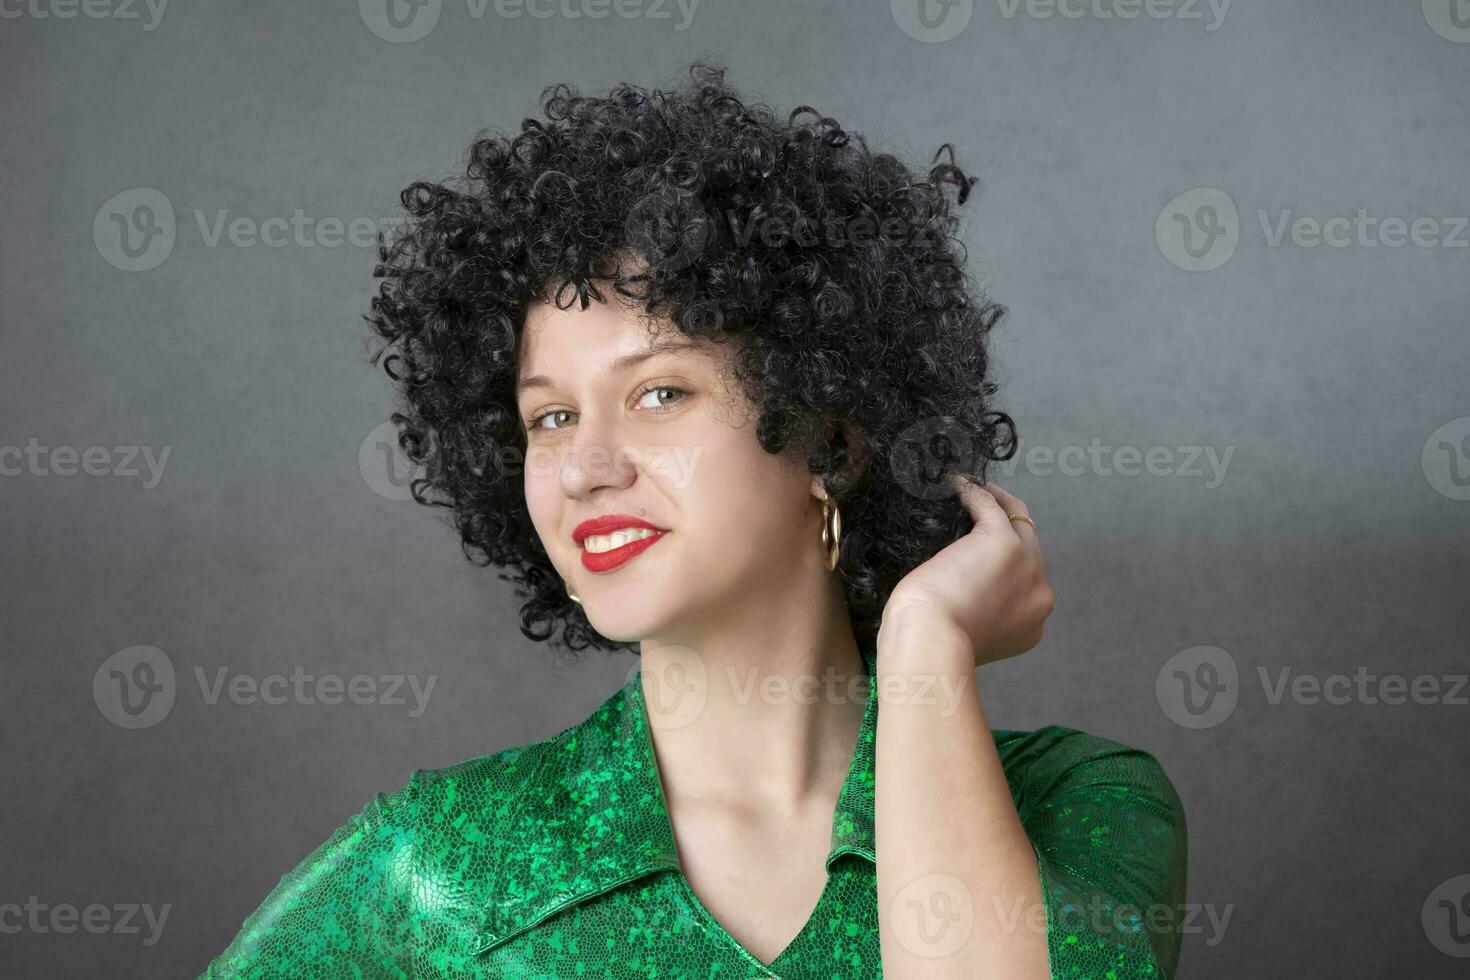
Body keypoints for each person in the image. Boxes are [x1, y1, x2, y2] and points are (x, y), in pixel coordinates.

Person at [200, 62, 1187, 979]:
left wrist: (928, 649)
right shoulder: (443, 864)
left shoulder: (1079, 805)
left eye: (660, 394)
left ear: (827, 439)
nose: (588, 466)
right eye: (550, 415)